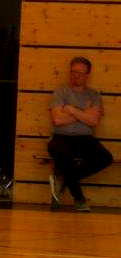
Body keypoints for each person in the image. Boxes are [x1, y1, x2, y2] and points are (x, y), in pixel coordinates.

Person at [48, 56, 114, 212]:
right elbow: (57, 120)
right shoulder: (60, 92)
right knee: (65, 155)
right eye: (74, 72)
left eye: (81, 73)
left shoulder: (94, 95)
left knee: (105, 157)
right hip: (61, 137)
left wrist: (71, 110)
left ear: (87, 75)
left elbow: (94, 121)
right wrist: (85, 112)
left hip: (85, 139)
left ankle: (62, 178)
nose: (76, 75)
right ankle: (79, 198)